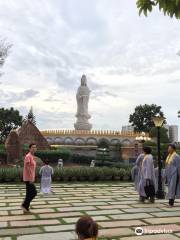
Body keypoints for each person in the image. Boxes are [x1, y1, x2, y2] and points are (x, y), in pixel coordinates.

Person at [21, 143, 37, 212]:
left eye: (35, 147)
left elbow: (32, 168)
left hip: (30, 178)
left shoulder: (31, 156)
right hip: (28, 178)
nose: (34, 148)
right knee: (34, 192)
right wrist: (31, 178)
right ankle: (24, 204)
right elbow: (27, 168)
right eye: (32, 147)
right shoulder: (28, 156)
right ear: (29, 148)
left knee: (29, 193)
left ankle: (26, 207)